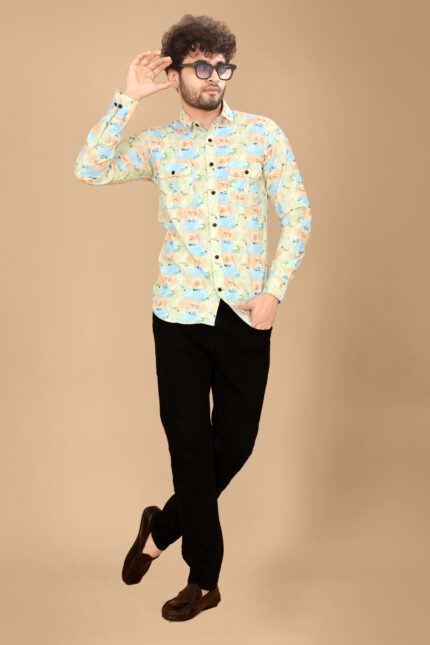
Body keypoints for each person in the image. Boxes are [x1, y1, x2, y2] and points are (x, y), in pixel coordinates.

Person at [74, 13, 312, 622]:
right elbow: (90, 168)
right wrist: (128, 98)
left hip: (244, 316)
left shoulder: (262, 135)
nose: (214, 77)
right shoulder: (158, 145)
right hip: (177, 317)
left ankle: (159, 530)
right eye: (202, 66)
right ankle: (204, 580)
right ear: (176, 72)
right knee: (188, 448)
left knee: (234, 444)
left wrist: (274, 291)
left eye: (223, 67)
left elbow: (298, 215)